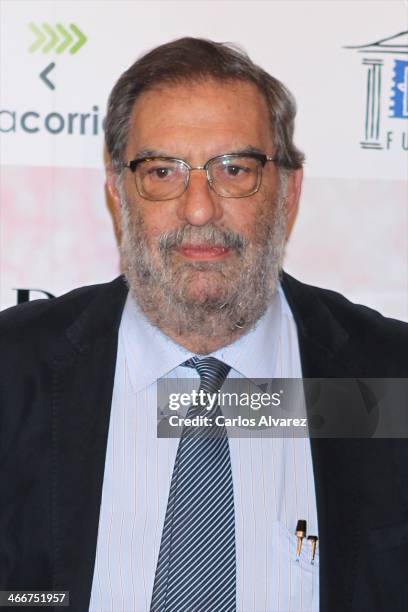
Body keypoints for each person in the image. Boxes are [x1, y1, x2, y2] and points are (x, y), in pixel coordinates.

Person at [0, 37, 407, 612]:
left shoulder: (391, 380)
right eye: (162, 171)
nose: (198, 208)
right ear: (119, 194)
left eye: (233, 169)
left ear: (288, 192)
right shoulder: (13, 370)